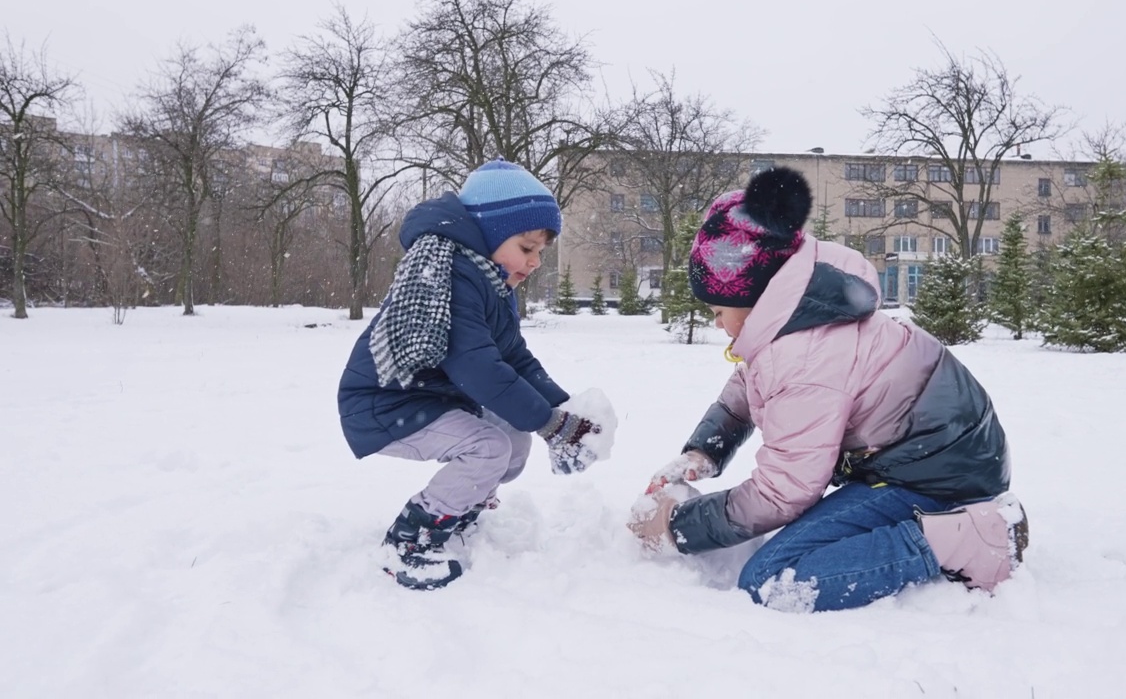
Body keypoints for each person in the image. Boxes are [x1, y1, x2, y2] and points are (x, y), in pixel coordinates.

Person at [627, 166, 1028, 613]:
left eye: (720, 309)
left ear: (757, 297)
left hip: (941, 478)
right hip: (940, 459)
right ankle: (951, 525)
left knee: (775, 581)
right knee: (783, 566)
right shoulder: (801, 317)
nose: (716, 322)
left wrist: (678, 526)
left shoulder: (803, 356)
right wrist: (703, 451)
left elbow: (785, 491)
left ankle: (967, 539)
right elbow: (747, 389)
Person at [339, 159, 604, 591]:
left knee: (513, 442)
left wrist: (563, 409)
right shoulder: (451, 275)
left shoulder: (491, 285)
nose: (535, 261)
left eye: (540, 252)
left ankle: (458, 513)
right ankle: (410, 541)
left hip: (429, 401)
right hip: (385, 403)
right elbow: (477, 367)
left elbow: (516, 359)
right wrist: (551, 424)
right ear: (491, 234)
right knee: (488, 447)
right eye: (526, 247)